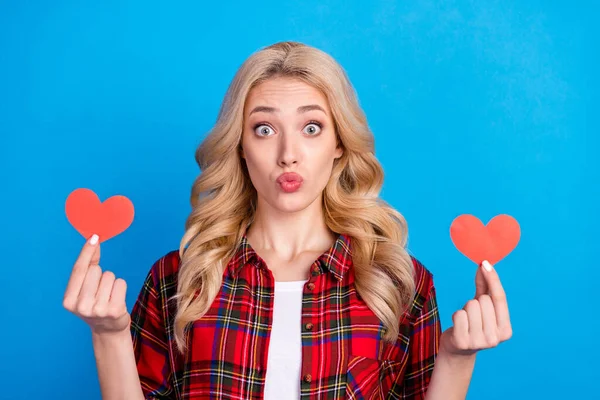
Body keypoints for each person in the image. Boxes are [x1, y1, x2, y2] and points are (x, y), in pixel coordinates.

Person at [63, 41, 512, 400]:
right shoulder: (178, 279)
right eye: (264, 129)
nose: (288, 154)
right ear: (239, 145)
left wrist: (456, 357)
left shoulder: (397, 283)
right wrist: (109, 335)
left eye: (311, 127)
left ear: (339, 142)